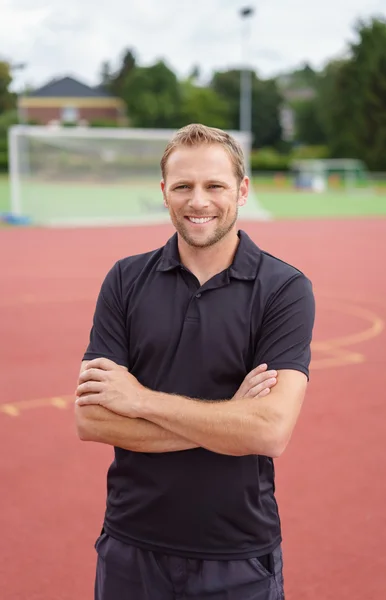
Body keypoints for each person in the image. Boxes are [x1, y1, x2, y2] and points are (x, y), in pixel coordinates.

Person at [75, 123, 315, 600]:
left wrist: (139, 400)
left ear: (242, 191)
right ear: (164, 193)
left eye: (215, 186)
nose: (198, 201)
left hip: (238, 555)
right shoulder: (124, 280)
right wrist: (228, 421)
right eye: (183, 186)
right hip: (130, 545)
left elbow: (269, 431)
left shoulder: (285, 289)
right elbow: (92, 418)